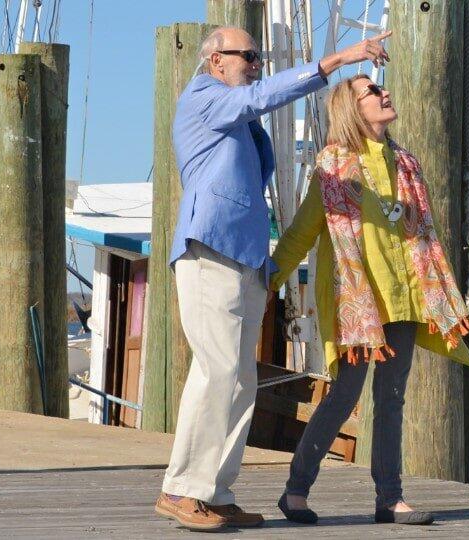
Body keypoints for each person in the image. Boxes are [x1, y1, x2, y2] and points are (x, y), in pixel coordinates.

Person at [153, 26, 392, 532]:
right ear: (216, 61)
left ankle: (213, 492)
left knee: (241, 382)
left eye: (260, 58)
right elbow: (262, 97)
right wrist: (337, 60)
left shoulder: (238, 118)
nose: (257, 64)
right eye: (249, 56)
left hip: (244, 260)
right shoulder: (203, 96)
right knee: (217, 372)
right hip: (210, 250)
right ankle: (181, 489)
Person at [269, 75, 469, 527]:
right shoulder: (334, 166)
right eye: (372, 92)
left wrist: (437, 290)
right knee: (343, 396)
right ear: (351, 108)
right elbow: (304, 230)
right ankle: (296, 490)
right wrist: (267, 280)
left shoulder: (406, 163)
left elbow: (424, 232)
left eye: (382, 88)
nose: (385, 93)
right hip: (357, 302)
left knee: (393, 398)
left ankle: (390, 498)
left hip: (403, 297)